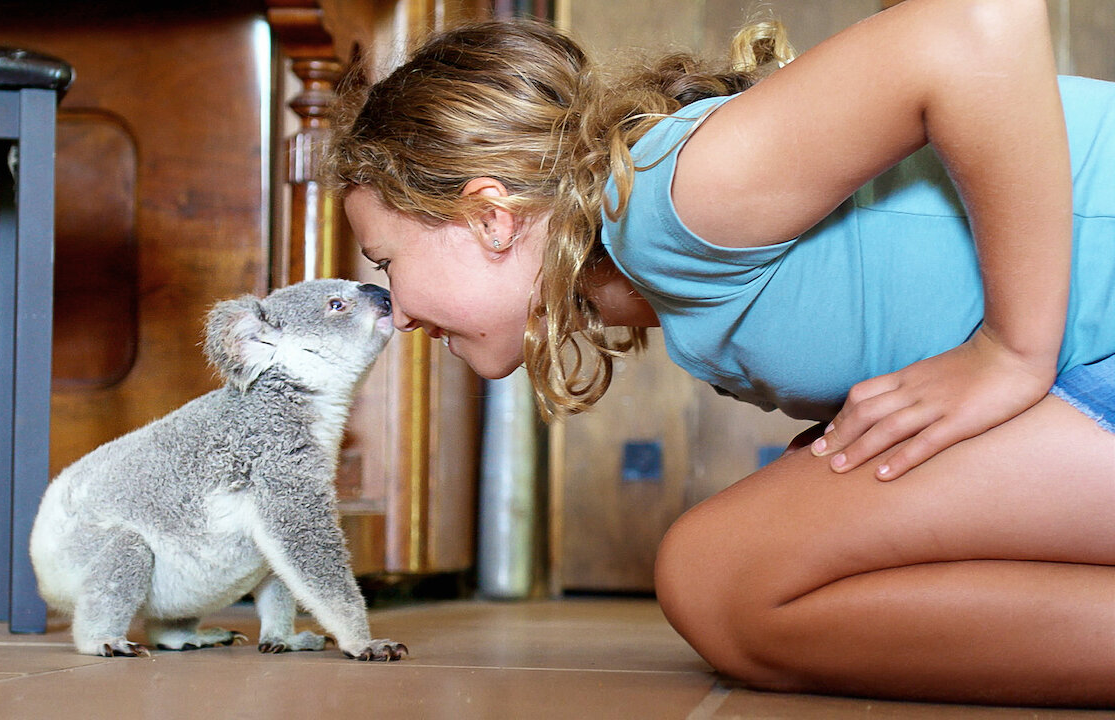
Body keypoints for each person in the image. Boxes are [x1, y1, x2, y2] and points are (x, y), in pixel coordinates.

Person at [327, 0, 1115, 708]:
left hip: (1079, 351)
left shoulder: (669, 199)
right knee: (727, 579)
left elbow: (977, 22)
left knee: (717, 577)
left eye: (386, 262)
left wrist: (1011, 350)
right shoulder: (653, 269)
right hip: (1091, 365)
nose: (394, 316)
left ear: (488, 217)